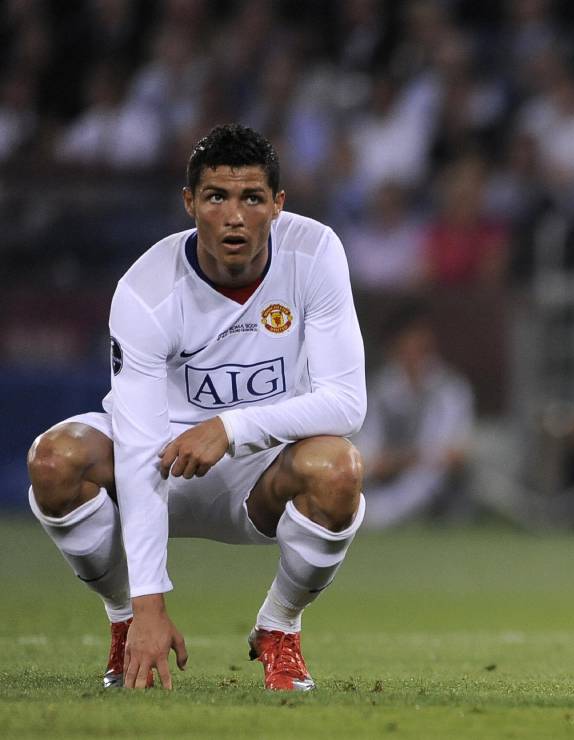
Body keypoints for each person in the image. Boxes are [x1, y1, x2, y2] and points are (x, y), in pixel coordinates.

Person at [25, 124, 367, 692]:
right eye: (216, 197)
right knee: (54, 460)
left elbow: (346, 401)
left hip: (265, 472)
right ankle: (123, 622)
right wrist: (148, 604)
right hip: (161, 462)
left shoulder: (315, 252)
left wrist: (232, 427)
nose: (234, 216)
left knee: (339, 470)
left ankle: (280, 627)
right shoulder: (146, 289)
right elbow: (136, 449)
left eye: (252, 198)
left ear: (278, 205)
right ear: (190, 203)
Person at [357, 307, 475, 527]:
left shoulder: (449, 387)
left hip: (435, 478)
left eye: (422, 349)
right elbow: (369, 453)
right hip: (387, 473)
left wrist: (410, 458)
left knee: (430, 472)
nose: (415, 356)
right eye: (407, 347)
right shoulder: (378, 390)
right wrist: (397, 460)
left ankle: (382, 515)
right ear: (393, 349)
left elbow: (450, 452)